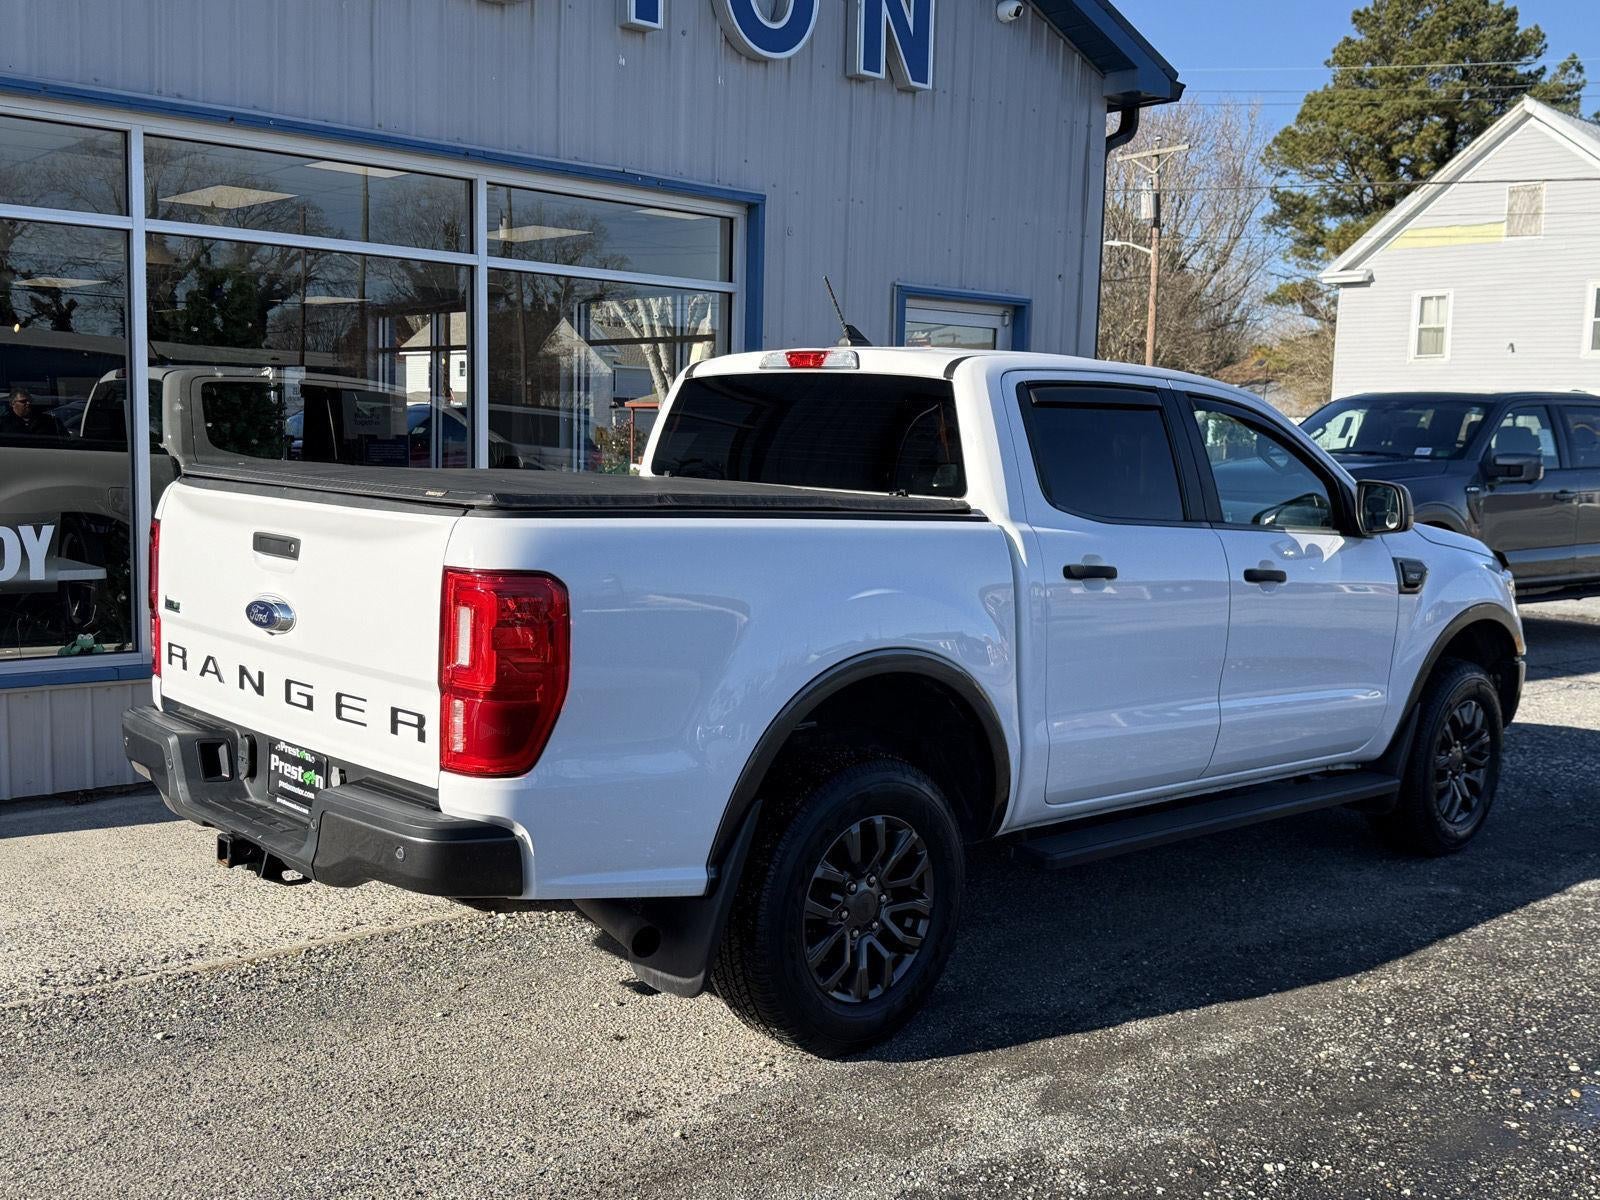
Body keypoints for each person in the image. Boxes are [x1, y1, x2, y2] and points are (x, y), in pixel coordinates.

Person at [0, 388, 67, 437]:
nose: (28, 403)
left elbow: (64, 439)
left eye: (29, 400)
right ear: (12, 404)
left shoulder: (48, 421)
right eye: (23, 401)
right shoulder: (4, 424)